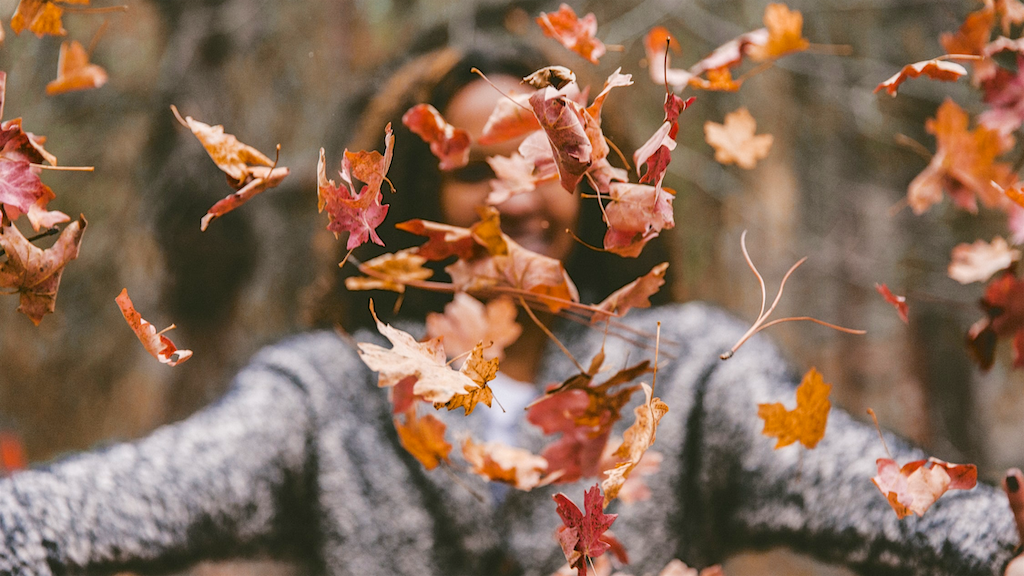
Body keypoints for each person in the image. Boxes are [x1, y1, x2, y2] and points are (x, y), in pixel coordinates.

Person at [0, 19, 1021, 576]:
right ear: (414, 205)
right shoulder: (327, 397)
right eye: (475, 169)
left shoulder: (686, 375)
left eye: (545, 160)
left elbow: (892, 498)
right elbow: (101, 505)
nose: (516, 194)